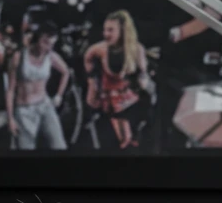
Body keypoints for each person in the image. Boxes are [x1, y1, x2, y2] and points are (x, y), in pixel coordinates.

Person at [85, 10, 153, 149]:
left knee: (133, 142)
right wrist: (92, 83)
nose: (106, 34)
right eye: (105, 30)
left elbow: (144, 78)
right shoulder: (98, 50)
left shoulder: (137, 50)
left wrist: (144, 83)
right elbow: (88, 58)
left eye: (110, 30)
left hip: (131, 103)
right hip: (109, 104)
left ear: (122, 30)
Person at [8, 20, 72, 150]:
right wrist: (11, 118)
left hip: (45, 105)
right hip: (24, 110)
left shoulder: (51, 56)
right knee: (26, 149)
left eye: (52, 44)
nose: (48, 47)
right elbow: (10, 90)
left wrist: (59, 95)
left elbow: (66, 72)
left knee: (59, 145)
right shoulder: (19, 57)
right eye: (45, 42)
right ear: (37, 38)